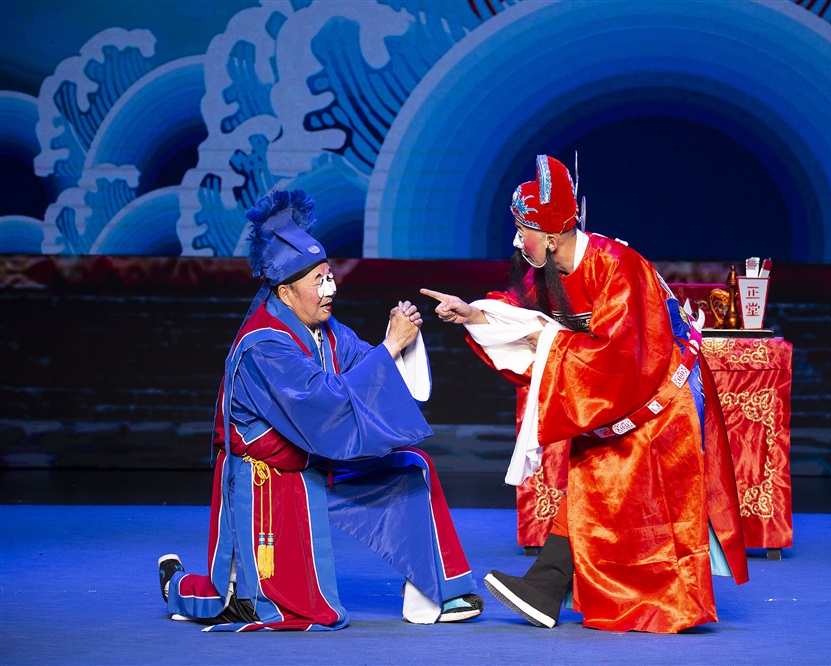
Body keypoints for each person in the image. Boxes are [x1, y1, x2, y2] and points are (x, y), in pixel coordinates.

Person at [421, 155, 749, 634]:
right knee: (593, 486)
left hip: (661, 399)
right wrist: (472, 314)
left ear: (551, 237)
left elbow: (623, 356)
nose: (517, 241)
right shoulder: (548, 273)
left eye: (523, 232)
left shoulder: (618, 266)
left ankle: (664, 604)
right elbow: (519, 313)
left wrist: (546, 340)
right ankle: (546, 587)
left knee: (642, 505)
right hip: (617, 400)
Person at [158, 189, 482, 631]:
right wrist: (390, 346)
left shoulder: (325, 328)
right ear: (286, 291)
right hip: (271, 475)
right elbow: (325, 403)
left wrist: (400, 341)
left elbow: (365, 368)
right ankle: (178, 584)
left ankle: (440, 591)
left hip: (316, 455)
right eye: (318, 281)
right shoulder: (264, 344)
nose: (331, 289)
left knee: (410, 467)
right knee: (249, 604)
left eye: (330, 276)